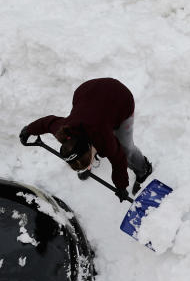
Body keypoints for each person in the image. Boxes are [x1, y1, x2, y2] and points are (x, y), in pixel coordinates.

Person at [20, 78, 153, 200]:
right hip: (87, 92)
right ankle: (85, 158)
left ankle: (144, 169)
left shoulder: (104, 139)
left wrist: (121, 186)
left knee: (126, 147)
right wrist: (28, 130)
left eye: (87, 163)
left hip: (119, 97)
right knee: (98, 124)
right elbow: (46, 123)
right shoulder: (64, 130)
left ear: (90, 147)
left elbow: (118, 160)